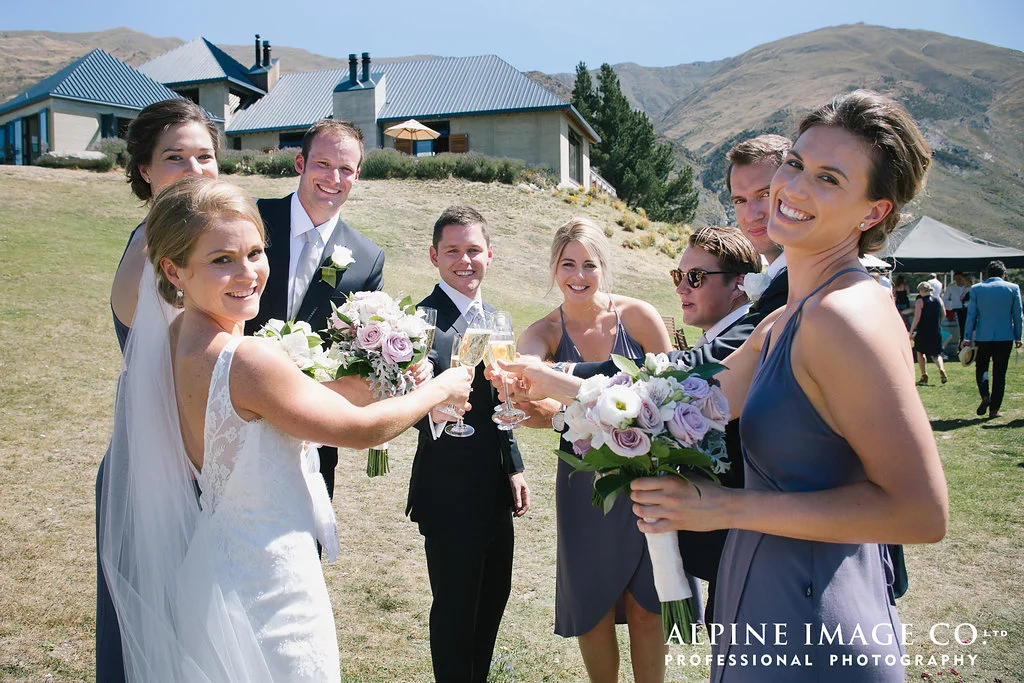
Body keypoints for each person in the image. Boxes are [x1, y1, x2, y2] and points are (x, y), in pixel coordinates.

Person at [505, 90, 948, 682]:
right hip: (755, 589)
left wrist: (724, 507)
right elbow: (678, 400)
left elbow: (921, 512)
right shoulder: (784, 317)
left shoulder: (845, 316)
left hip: (812, 615)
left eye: (829, 178)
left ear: (872, 213)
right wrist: (551, 382)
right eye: (796, 163)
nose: (792, 188)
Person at [99, 176, 472, 681]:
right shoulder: (247, 360)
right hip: (269, 586)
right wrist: (440, 389)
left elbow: (265, 414)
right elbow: (361, 431)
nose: (248, 273)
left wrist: (371, 381)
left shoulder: (174, 338)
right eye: (222, 259)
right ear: (173, 270)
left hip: (212, 569)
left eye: (255, 252)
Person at [517, 217, 673, 683]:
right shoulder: (543, 333)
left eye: (589, 264)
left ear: (604, 266)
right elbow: (527, 389)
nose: (578, 275)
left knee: (647, 606)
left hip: (647, 476)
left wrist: (562, 388)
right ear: (554, 268)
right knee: (593, 607)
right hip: (584, 484)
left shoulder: (639, 316)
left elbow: (673, 393)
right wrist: (527, 388)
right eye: (568, 264)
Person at [99, 97, 220, 683]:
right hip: (161, 459)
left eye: (205, 156)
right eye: (176, 157)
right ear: (145, 170)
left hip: (198, 451)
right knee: (157, 626)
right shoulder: (154, 249)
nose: (194, 169)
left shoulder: (196, 238)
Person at [407, 206, 530, 683]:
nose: (465, 260)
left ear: (490, 255)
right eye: (453, 251)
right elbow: (399, 402)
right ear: (434, 256)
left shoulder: (497, 320)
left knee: (493, 600)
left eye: (474, 250)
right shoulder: (418, 322)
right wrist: (431, 412)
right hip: (448, 490)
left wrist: (514, 465)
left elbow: (503, 402)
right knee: (456, 611)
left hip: (494, 491)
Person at [245, 118, 385, 500]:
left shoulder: (367, 259)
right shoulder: (252, 219)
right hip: (239, 416)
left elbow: (360, 356)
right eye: (323, 164)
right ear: (300, 163)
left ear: (357, 175)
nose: (333, 178)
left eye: (345, 169)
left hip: (313, 436)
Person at [726, 134, 792, 314]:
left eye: (765, 194)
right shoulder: (778, 281)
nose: (752, 216)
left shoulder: (807, 285)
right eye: (740, 201)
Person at [961, 259, 1023, 419]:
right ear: (1004, 273)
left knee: (981, 368)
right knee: (1000, 373)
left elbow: (971, 315)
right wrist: (1018, 336)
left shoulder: (977, 289)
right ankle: (994, 409)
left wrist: (967, 337)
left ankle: (985, 395)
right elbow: (1018, 315)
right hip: (1005, 336)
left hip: (983, 336)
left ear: (987, 274)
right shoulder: (1013, 288)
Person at [910, 280, 948, 384]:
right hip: (935, 330)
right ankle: (941, 369)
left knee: (920, 352)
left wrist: (912, 330)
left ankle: (924, 374)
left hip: (923, 330)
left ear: (921, 290)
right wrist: (938, 322)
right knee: (936, 354)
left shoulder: (920, 301)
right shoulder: (938, 300)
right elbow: (944, 313)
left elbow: (917, 317)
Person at [943, 272, 968, 343]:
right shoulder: (951, 287)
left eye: (960, 278)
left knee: (965, 327)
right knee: (958, 328)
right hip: (956, 309)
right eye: (956, 278)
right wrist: (945, 308)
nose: (958, 280)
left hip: (966, 309)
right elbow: (945, 298)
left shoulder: (967, 287)